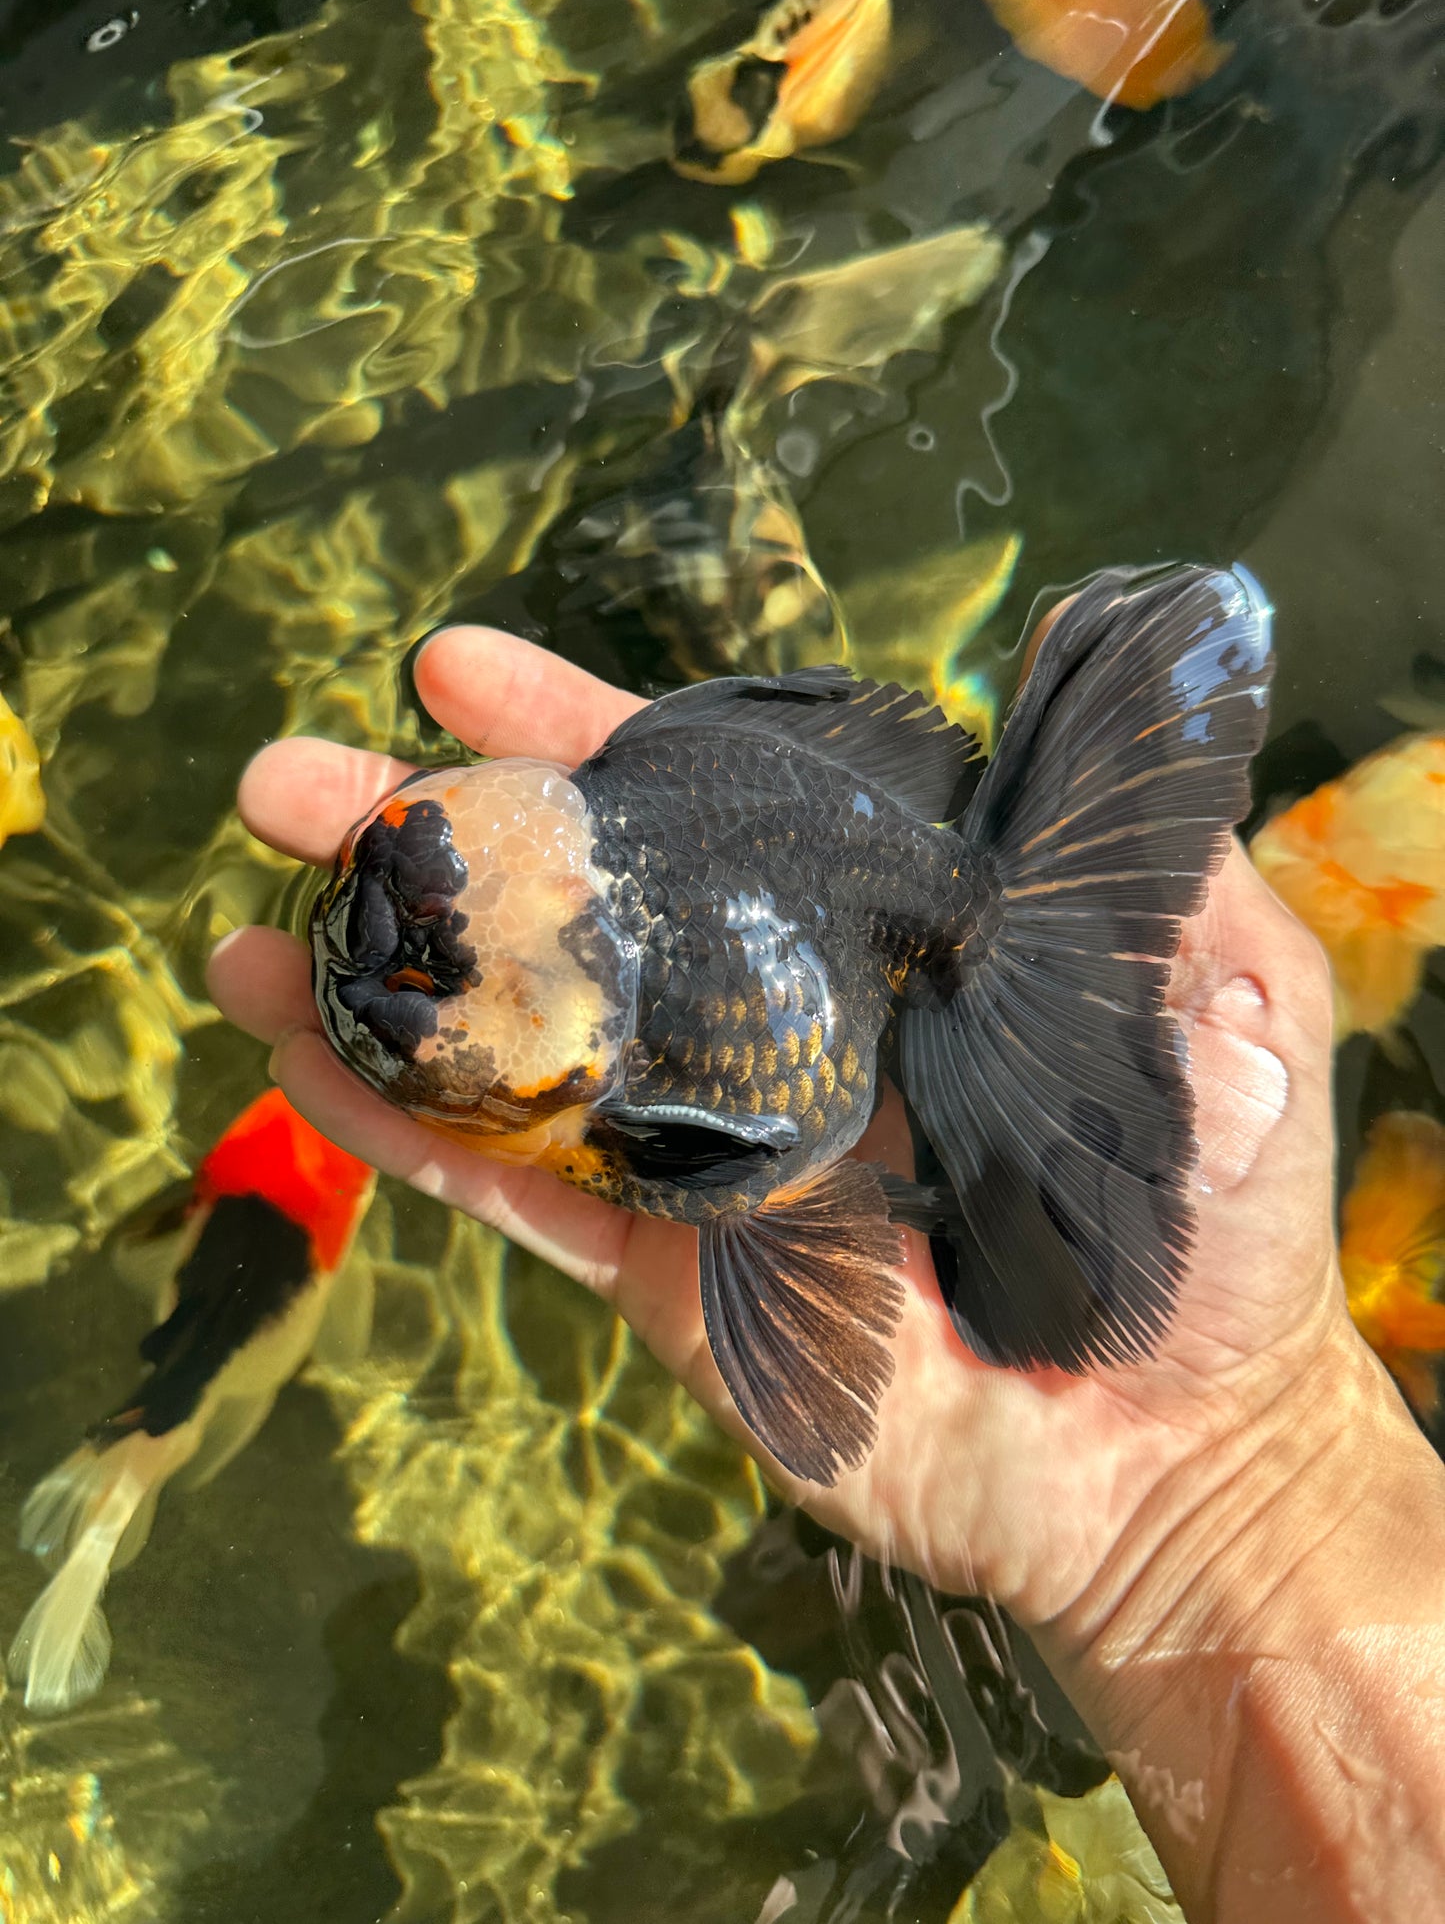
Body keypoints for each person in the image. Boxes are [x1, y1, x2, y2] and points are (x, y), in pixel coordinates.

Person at [209, 623, 1445, 1924]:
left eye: (421, 954)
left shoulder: (649, 1089)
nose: (366, 923)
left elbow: (738, 1175)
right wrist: (1228, 1487)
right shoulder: (601, 942)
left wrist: (1224, 1471)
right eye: (395, 882)